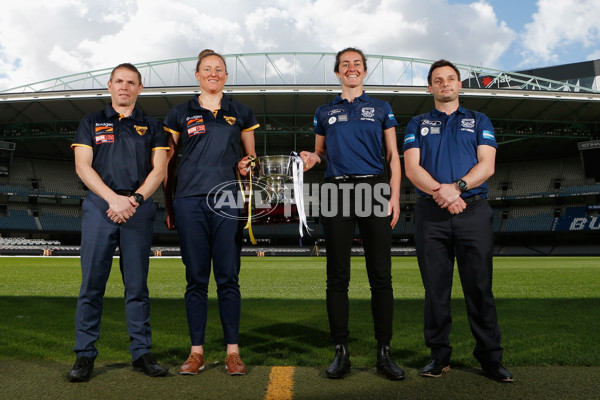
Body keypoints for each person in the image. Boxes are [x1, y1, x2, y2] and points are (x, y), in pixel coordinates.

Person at [403, 59, 513, 382]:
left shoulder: (479, 120)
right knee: (435, 290)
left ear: (460, 85)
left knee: (479, 288)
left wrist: (457, 189)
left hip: (473, 210)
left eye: (451, 79)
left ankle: (490, 359)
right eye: (438, 80)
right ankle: (439, 356)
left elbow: (487, 165)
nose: (445, 84)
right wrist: (442, 192)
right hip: (430, 213)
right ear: (430, 87)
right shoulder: (416, 124)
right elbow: (412, 169)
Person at [301, 47, 404, 380]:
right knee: (337, 276)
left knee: (380, 275)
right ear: (337, 73)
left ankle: (384, 353)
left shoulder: (381, 108)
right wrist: (311, 158)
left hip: (375, 188)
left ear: (364, 71)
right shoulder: (324, 112)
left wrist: (395, 196)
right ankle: (341, 352)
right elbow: (320, 154)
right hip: (335, 189)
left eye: (357, 64)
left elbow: (393, 157)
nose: (351, 68)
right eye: (345, 64)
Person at [68, 63, 169, 382]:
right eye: (119, 82)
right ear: (109, 86)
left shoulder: (153, 125)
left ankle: (142, 353)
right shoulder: (91, 121)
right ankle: (85, 355)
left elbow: (159, 170)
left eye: (132, 82)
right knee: (92, 285)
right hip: (100, 206)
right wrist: (113, 199)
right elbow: (83, 166)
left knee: (137, 286)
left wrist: (134, 200)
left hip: (137, 208)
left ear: (140, 88)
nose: (125, 87)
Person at [162, 49, 258, 376]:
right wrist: (169, 202)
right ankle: (196, 352)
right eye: (207, 69)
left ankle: (233, 353)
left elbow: (252, 159)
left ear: (226, 77)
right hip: (189, 200)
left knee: (228, 278)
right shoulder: (179, 113)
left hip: (228, 201)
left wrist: (247, 167)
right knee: (196, 279)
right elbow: (168, 163)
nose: (213, 74)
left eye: (219, 69)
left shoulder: (241, 112)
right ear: (198, 75)